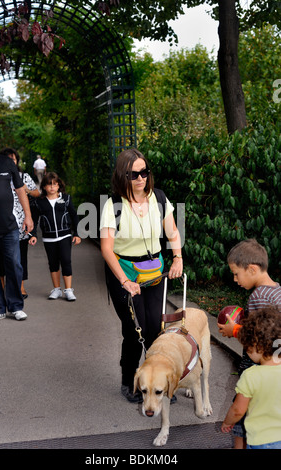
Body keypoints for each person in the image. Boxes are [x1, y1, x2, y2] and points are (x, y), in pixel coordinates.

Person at [100, 148, 183, 403]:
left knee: (156, 329)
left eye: (144, 172)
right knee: (135, 330)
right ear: (123, 175)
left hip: (154, 271)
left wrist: (178, 256)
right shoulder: (113, 205)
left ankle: (156, 382)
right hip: (123, 272)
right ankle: (129, 381)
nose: (140, 178)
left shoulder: (158, 199)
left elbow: (172, 233)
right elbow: (106, 247)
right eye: (134, 174)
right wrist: (125, 282)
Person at [218, 238, 281, 448]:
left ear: (252, 269)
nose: (235, 279)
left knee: (242, 419)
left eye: (236, 273)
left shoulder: (259, 296)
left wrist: (233, 329)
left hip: (257, 365)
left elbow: (258, 335)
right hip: (275, 362)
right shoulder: (278, 290)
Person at [0, 130, 33, 323]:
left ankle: (16, 307)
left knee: (14, 266)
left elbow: (20, 191)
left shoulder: (7, 163)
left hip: (10, 228)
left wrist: (28, 216)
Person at [221, 306, 281, 449]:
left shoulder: (251, 376)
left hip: (262, 441)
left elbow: (238, 410)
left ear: (256, 346)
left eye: (247, 347)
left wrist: (228, 422)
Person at [29, 172, 81, 301]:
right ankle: (56, 289)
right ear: (44, 187)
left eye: (55, 184)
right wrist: (33, 235)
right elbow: (34, 220)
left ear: (59, 186)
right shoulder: (39, 202)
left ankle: (68, 290)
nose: (52, 187)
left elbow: (74, 216)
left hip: (65, 236)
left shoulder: (66, 198)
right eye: (49, 184)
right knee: (53, 263)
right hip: (48, 238)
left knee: (66, 262)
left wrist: (78, 234)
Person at [0, 148, 40, 298]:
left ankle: (21, 287)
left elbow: (36, 193)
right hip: (1, 222)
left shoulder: (23, 176)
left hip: (21, 221)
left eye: (14, 159)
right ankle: (2, 288)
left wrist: (26, 190)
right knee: (0, 257)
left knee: (20, 256)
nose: (11, 162)